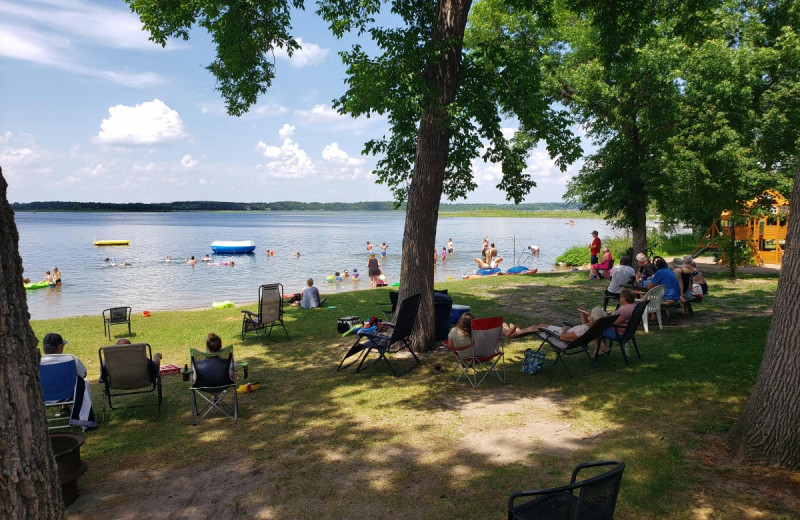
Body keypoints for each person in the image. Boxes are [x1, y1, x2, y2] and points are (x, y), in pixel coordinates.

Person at [40, 333, 96, 430]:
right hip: (68, 396)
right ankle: (83, 419)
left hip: (45, 397)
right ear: (60, 347)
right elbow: (83, 374)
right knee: (82, 382)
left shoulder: (37, 362)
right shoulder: (71, 359)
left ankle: (64, 409)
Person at [596, 289, 638, 355]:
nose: (620, 298)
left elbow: (614, 322)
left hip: (619, 333)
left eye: (621, 297)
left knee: (594, 330)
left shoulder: (625, 310)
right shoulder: (634, 306)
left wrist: (601, 321)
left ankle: (601, 349)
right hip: (628, 332)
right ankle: (604, 347)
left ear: (624, 298)